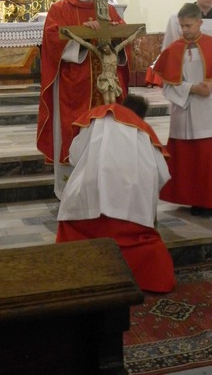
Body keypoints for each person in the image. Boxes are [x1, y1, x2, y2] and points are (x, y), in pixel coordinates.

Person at [56, 94, 176, 293]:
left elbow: (74, 155)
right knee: (147, 246)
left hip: (86, 211)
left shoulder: (97, 116)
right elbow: (162, 174)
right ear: (141, 116)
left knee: (72, 227)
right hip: (127, 219)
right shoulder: (145, 132)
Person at [37, 0, 131, 199]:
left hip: (106, 85)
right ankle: (74, 193)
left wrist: (112, 33)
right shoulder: (60, 9)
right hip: (75, 88)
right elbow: (52, 42)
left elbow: (124, 36)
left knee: (108, 132)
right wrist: (82, 34)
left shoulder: (106, 9)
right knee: (76, 133)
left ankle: (108, 186)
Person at [154, 3, 212, 217]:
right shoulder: (173, 50)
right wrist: (191, 88)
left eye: (188, 25)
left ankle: (209, 201)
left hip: (208, 110)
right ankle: (189, 198)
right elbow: (168, 84)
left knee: (207, 158)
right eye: (182, 26)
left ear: (199, 22)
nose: (185, 30)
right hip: (185, 109)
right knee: (187, 159)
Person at [60, 24, 145, 104]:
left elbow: (127, 41)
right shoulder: (101, 55)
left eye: (106, 47)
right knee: (107, 100)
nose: (105, 50)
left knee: (113, 99)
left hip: (113, 79)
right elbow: (84, 43)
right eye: (103, 49)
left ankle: (112, 114)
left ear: (109, 45)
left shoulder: (115, 51)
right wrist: (70, 34)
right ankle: (106, 114)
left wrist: (138, 31)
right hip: (104, 79)